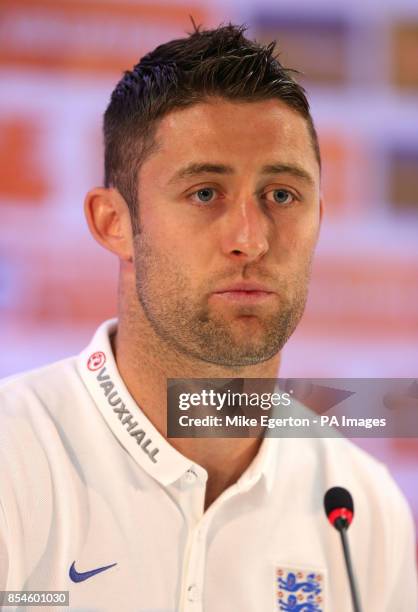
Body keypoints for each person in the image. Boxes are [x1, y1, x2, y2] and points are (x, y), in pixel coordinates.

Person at [0, 23, 416, 612]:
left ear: (318, 217)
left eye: (281, 195)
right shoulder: (14, 457)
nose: (250, 239)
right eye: (204, 192)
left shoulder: (360, 507)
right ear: (113, 222)